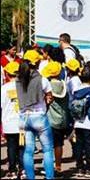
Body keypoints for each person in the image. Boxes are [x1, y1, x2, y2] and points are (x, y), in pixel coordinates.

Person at [16, 50, 54, 180]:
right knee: (47, 149)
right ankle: (49, 177)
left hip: (23, 118)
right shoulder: (42, 79)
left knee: (28, 151)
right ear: (37, 62)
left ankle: (30, 177)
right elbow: (50, 97)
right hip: (39, 117)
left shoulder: (18, 79)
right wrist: (46, 104)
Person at [72, 65, 90, 178]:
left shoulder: (76, 92)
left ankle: (79, 167)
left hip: (78, 122)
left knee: (79, 145)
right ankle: (89, 169)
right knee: (89, 146)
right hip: (89, 123)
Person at [43, 61, 70, 177]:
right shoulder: (64, 84)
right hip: (62, 119)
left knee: (48, 145)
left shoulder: (48, 85)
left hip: (50, 119)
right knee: (59, 144)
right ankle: (58, 166)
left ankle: (48, 168)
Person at [1, 62, 25, 180]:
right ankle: (23, 169)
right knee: (22, 147)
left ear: (7, 73)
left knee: (11, 147)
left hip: (8, 122)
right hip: (22, 122)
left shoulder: (3, 88)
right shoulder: (24, 86)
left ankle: (12, 170)